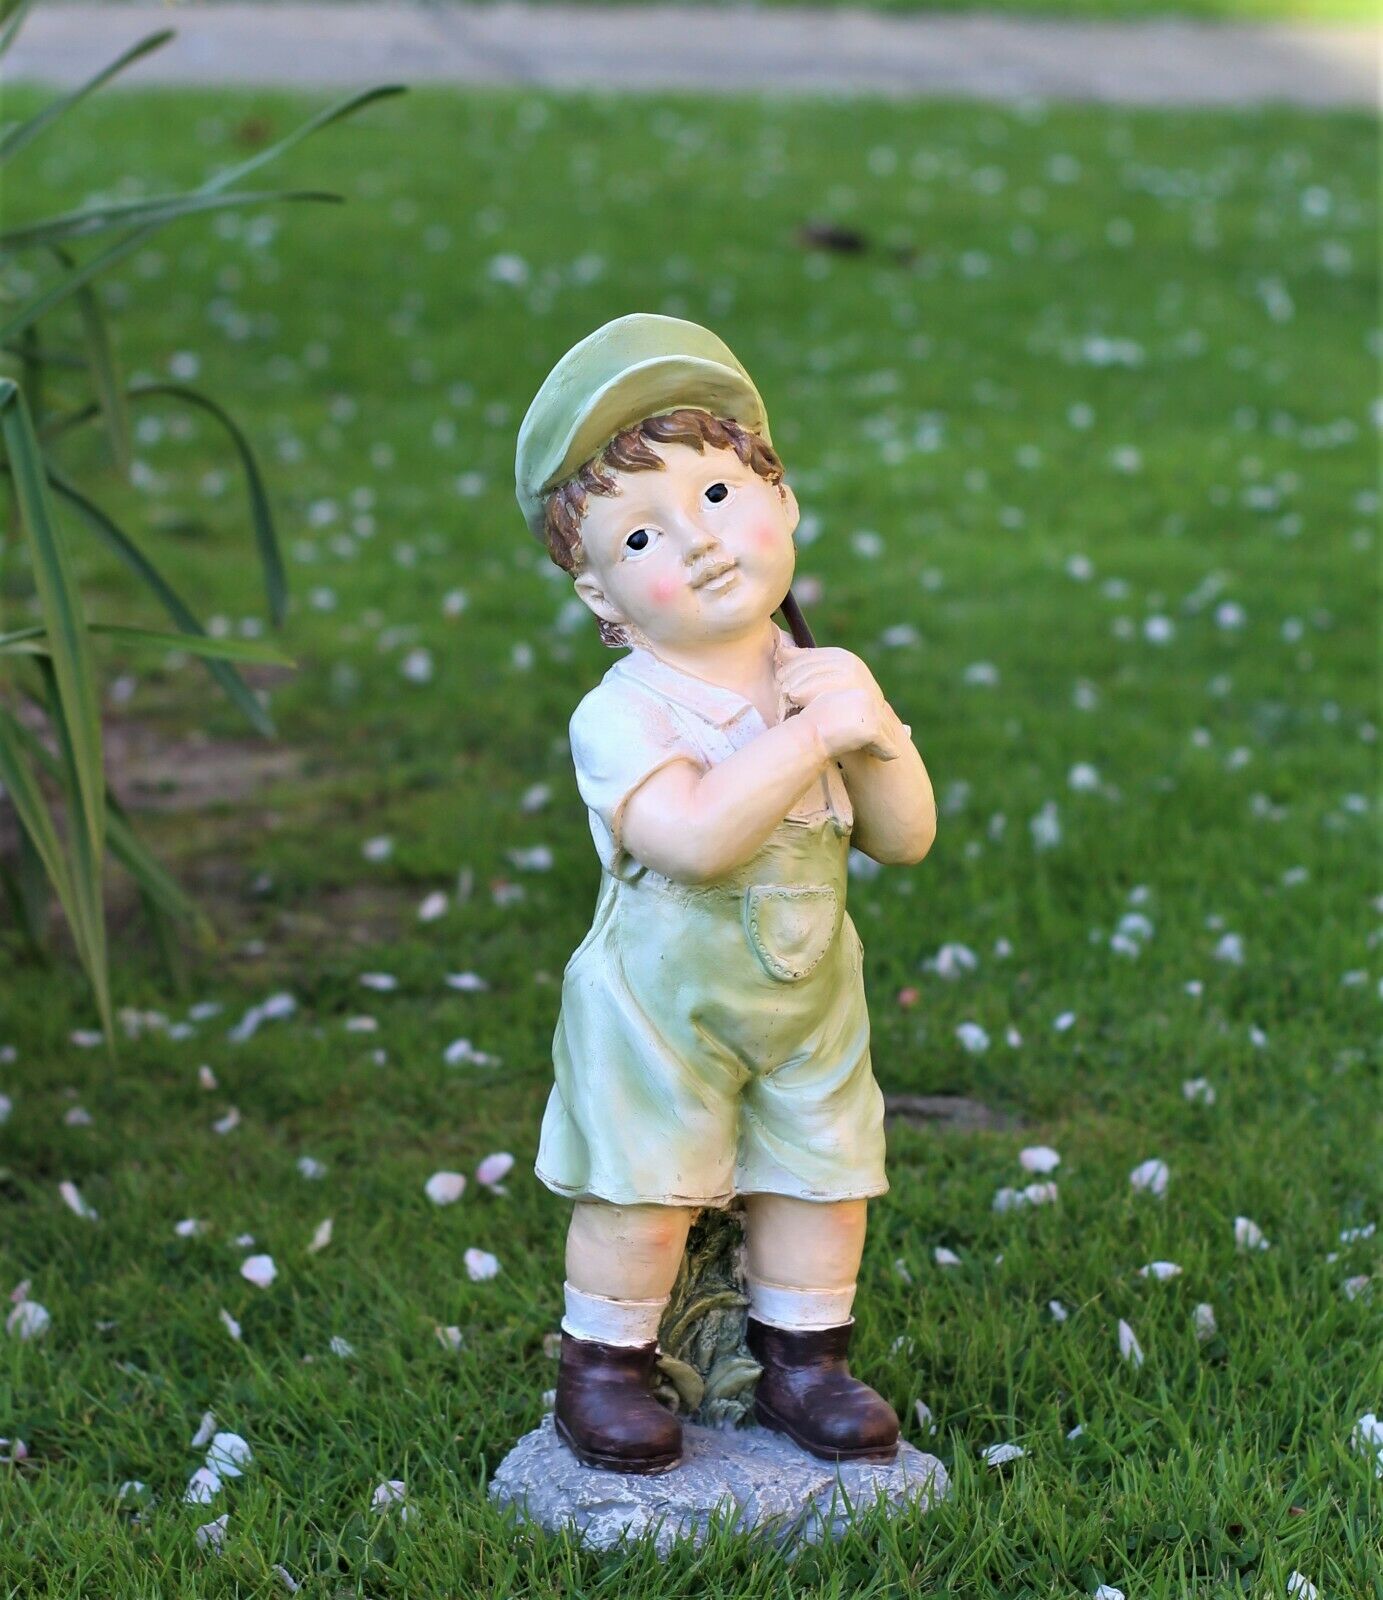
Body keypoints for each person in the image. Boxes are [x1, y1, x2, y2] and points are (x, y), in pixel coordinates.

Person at [514, 314, 937, 1474]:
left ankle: (807, 1360)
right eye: (642, 533)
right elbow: (693, 839)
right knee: (643, 1187)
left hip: (809, 993)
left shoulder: (823, 679)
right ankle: (604, 1365)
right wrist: (813, 740)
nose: (696, 544)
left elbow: (902, 838)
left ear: (784, 501)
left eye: (715, 495)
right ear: (601, 595)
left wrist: (873, 728)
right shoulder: (628, 710)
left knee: (820, 1169)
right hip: (663, 1003)